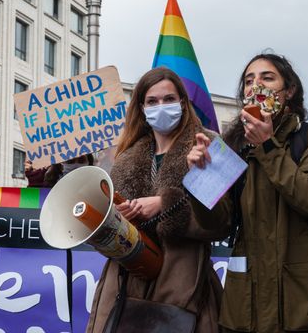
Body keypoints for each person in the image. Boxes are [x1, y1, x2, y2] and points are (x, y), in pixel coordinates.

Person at [188, 53, 308, 332]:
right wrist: (200, 177)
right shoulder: (232, 147)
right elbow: (216, 226)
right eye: (248, 81)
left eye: (267, 78)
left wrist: (267, 146)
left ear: (289, 91)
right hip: (249, 310)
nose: (256, 86)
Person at [85, 67, 224, 333]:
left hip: (182, 288)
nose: (161, 106)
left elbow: (221, 223)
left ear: (183, 103)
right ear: (142, 108)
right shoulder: (124, 158)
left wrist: (164, 206)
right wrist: (119, 218)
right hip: (125, 285)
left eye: (169, 99)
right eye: (152, 101)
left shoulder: (209, 145)